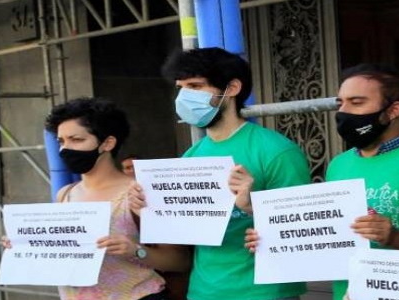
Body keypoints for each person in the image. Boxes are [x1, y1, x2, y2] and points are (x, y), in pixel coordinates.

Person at [243, 64, 399, 300]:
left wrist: (396, 237)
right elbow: (326, 237)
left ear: (394, 110)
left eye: (357, 102)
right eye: (340, 103)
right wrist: (273, 239)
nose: (343, 112)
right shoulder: (338, 165)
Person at [129, 47, 311, 300]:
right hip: (203, 290)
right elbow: (181, 234)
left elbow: (305, 226)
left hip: (265, 292)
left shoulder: (276, 151)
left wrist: (251, 207)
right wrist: (149, 211)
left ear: (232, 88)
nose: (184, 96)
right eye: (181, 87)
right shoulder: (191, 156)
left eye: (195, 86)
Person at [3, 97, 191, 300]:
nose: (65, 149)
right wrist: (25, 244)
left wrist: (136, 251)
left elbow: (180, 261)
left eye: (77, 140)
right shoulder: (65, 194)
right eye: (61, 141)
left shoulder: (139, 193)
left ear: (107, 143)